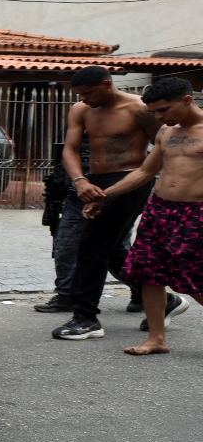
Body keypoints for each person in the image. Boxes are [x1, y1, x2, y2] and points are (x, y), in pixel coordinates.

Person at [46, 66, 167, 341]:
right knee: (110, 251)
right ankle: (163, 302)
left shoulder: (139, 109)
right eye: (80, 94)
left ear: (107, 84)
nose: (84, 98)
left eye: (88, 92)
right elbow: (70, 149)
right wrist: (80, 181)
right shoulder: (81, 109)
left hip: (131, 180)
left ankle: (85, 317)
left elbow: (162, 149)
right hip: (92, 180)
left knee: (91, 246)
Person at [83, 77, 201, 354]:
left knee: (194, 276)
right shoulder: (165, 133)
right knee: (149, 272)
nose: (159, 117)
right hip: (159, 210)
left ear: (186, 100)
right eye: (155, 112)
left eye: (163, 110)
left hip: (196, 212)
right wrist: (106, 195)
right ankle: (157, 339)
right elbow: (145, 172)